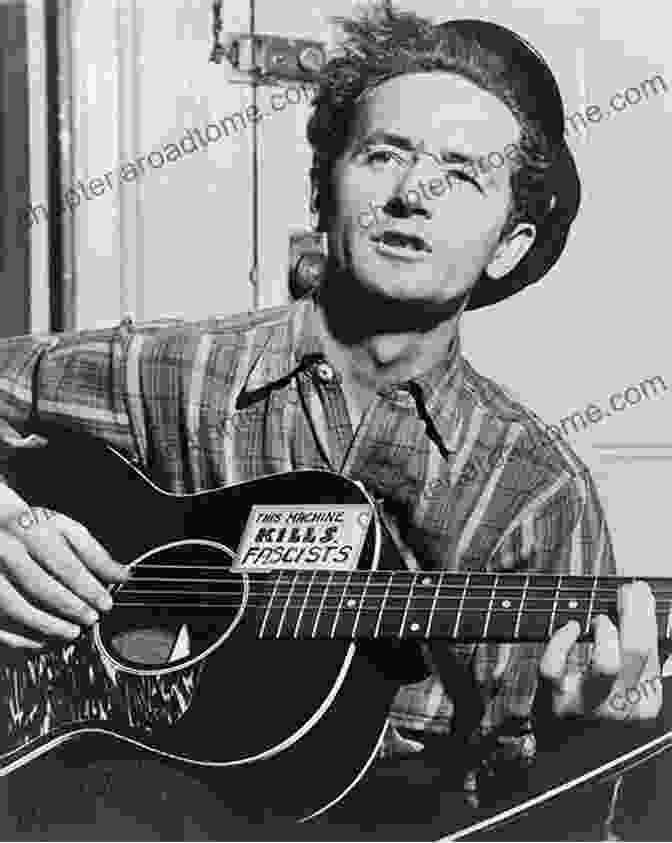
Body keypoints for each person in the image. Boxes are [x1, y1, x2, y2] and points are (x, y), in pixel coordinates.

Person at [0, 0, 661, 833]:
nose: (414, 191)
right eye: (385, 153)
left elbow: (535, 814)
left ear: (509, 244)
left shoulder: (536, 492)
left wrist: (590, 732)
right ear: (327, 185)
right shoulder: (178, 372)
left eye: (463, 174)